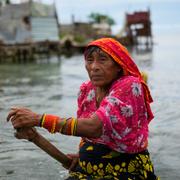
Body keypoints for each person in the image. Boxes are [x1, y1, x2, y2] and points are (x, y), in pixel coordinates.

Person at [7, 38, 159, 180]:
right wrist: (35, 137)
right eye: (89, 60)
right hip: (86, 170)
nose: (94, 67)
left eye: (103, 60)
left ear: (119, 65)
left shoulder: (129, 85)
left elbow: (94, 127)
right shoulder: (87, 89)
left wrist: (39, 119)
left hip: (125, 172)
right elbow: (86, 135)